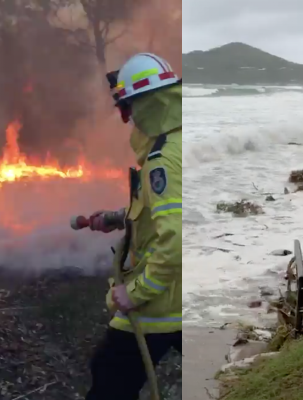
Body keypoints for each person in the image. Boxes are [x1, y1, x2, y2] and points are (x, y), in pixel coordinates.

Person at [84, 52, 182, 400]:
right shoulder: (181, 142)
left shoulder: (162, 161)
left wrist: (135, 292)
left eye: (127, 108)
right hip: (182, 296)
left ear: (145, 105)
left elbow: (176, 241)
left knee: (108, 381)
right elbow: (163, 212)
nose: (127, 119)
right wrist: (117, 218)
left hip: (160, 304)